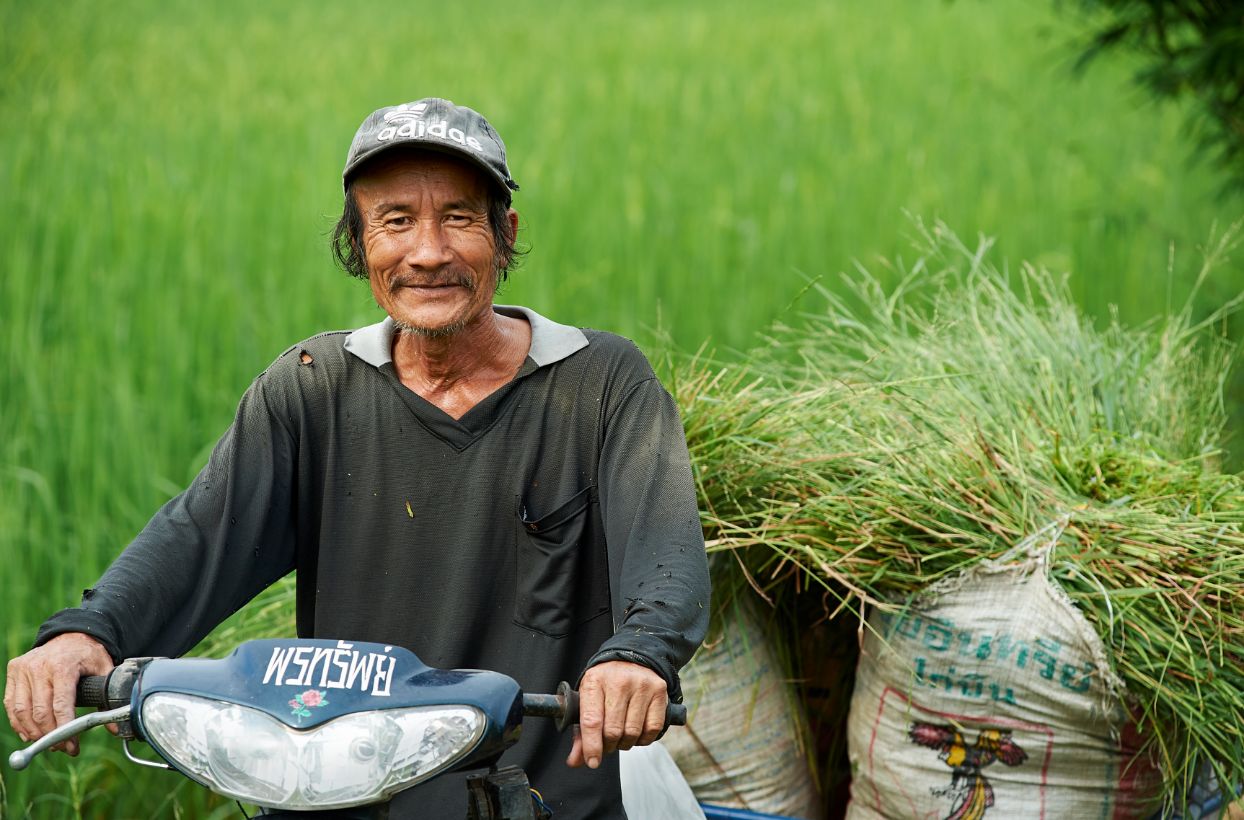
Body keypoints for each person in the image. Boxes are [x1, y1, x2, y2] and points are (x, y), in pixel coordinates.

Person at [4, 97, 711, 818]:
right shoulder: (311, 388)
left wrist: (637, 654)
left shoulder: (601, 383)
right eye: (396, 221)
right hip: (335, 793)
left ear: (506, 235)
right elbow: (199, 535)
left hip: (536, 797)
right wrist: (89, 633)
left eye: (459, 218)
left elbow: (666, 554)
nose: (428, 252)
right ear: (358, 243)